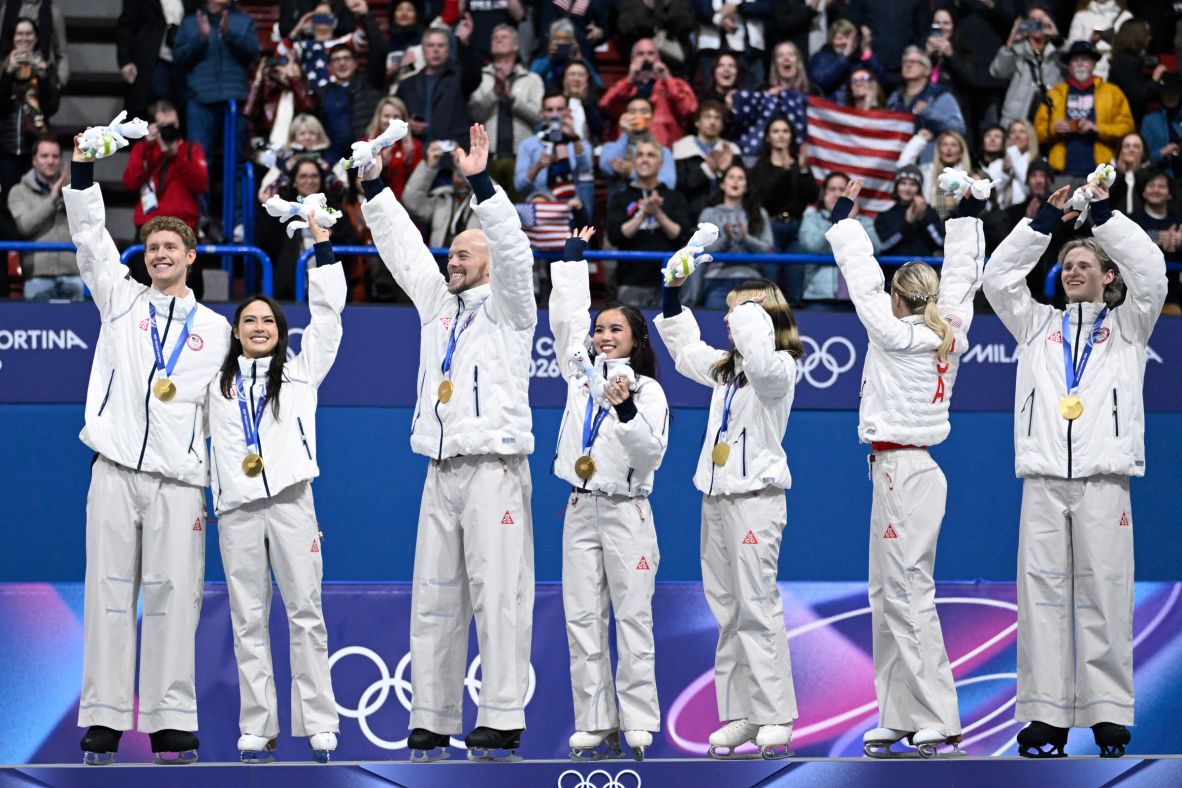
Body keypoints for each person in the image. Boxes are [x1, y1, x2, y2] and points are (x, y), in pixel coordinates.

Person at [359, 124, 535, 763]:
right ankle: (431, 718)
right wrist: (376, 185)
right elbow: (404, 248)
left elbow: (514, 252)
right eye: (452, 253)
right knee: (433, 600)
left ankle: (502, 716)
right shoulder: (438, 304)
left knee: (499, 597)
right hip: (439, 467)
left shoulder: (512, 309)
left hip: (494, 467)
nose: (451, 260)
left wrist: (482, 185)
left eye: (464, 254)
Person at [982, 179, 1165, 759]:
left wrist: (1104, 216)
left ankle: (1107, 714)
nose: (1072, 272)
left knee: (1105, 593)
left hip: (1104, 477)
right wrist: (1044, 224)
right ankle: (1045, 716)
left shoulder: (1130, 327)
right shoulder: (1036, 325)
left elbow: (1153, 270)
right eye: (1067, 265)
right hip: (1042, 478)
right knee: (1040, 598)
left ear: (1109, 276)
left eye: (1084, 264)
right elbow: (996, 279)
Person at [67, 128, 230, 766]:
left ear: (191, 255)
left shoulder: (217, 331)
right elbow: (89, 239)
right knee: (107, 591)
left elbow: (227, 415)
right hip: (112, 471)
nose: (159, 253)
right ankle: (105, 720)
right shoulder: (119, 303)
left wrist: (224, 484)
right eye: (152, 246)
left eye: (170, 246)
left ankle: (170, 723)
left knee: (174, 597)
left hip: (180, 481)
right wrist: (83, 169)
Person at [828, 174, 987, 758]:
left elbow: (861, 276)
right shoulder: (953, 326)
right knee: (885, 592)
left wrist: (845, 215)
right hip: (900, 472)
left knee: (908, 594)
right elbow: (965, 275)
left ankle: (940, 719)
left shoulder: (893, 331)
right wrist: (966, 211)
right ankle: (898, 714)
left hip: (904, 473)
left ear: (900, 298)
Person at [209, 218, 345, 765]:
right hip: (238, 512)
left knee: (306, 614)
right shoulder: (214, 384)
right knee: (247, 620)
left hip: (292, 503)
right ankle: (257, 726)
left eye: (268, 320)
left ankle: (319, 724)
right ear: (235, 331)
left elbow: (331, 319)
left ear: (281, 330)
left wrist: (323, 248)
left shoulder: (302, 371)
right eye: (249, 320)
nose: (259, 326)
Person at [653, 272, 803, 760]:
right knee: (727, 610)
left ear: (761, 317)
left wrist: (750, 314)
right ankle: (743, 711)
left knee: (757, 607)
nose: (728, 319)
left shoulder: (779, 367)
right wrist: (671, 293)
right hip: (716, 499)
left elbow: (760, 362)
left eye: (738, 311)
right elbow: (685, 351)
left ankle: (776, 713)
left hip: (755, 501)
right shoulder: (726, 369)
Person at [549, 227, 669, 762]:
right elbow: (564, 323)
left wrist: (622, 409)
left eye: (614, 329)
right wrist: (574, 260)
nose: (602, 336)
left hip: (627, 513)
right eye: (599, 329)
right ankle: (595, 722)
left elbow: (651, 454)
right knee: (582, 618)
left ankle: (638, 722)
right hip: (579, 507)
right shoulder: (579, 379)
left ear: (636, 339)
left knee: (633, 618)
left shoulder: (649, 392)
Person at [171, 0, 259, 169]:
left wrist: (229, 35)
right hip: (200, 100)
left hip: (235, 101)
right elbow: (179, 58)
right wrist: (200, 39)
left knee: (236, 164)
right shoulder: (191, 22)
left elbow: (252, 55)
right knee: (198, 165)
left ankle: (235, 196)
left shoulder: (244, 21)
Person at [1034, 41, 1133, 181]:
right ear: (1068, 66)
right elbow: (1037, 132)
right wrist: (1053, 128)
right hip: (1061, 173)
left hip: (1101, 173)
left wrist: (1097, 129)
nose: (1080, 64)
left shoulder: (1112, 92)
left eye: (1085, 60)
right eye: (1075, 60)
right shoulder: (1054, 95)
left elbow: (1127, 128)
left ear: (1094, 64)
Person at [606, 140, 690, 307]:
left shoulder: (675, 197)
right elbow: (615, 236)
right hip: (630, 281)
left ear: (661, 163)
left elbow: (681, 236)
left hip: (668, 281)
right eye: (640, 155)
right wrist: (642, 214)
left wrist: (657, 213)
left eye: (651, 155)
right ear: (633, 162)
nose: (645, 159)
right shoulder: (620, 198)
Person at [748, 115, 817, 305]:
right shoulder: (760, 167)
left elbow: (812, 196)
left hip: (796, 229)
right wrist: (785, 172)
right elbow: (764, 199)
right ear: (768, 137)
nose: (781, 135)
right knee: (768, 289)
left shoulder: (799, 165)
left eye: (785, 131)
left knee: (796, 287)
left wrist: (802, 170)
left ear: (791, 136)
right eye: (776, 131)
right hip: (770, 228)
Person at [468, 24, 544, 197]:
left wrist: (512, 99)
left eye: (504, 37)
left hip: (521, 158)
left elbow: (538, 117)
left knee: (520, 214)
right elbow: (475, 114)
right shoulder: (480, 77)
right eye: (495, 38)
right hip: (488, 156)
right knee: (488, 212)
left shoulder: (532, 79)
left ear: (516, 46)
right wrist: (495, 92)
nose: (498, 40)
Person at [122, 99, 209, 240]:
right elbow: (131, 183)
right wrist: (148, 149)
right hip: (149, 226)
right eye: (164, 126)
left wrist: (177, 155)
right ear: (154, 126)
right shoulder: (143, 149)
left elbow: (201, 186)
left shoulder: (191, 150)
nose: (170, 131)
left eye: (173, 126)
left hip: (183, 228)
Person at [7, 134, 79, 300]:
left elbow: (86, 226)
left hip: (74, 273)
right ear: (34, 160)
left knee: (78, 325)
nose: (50, 161)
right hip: (37, 276)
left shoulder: (74, 190)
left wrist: (69, 196)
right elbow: (24, 227)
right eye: (44, 156)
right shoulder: (19, 191)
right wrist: (53, 199)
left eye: (55, 156)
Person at [697, 163, 774, 308]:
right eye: (731, 177)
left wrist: (746, 238)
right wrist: (726, 240)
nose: (735, 181)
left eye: (740, 178)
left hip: (751, 281)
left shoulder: (759, 213)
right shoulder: (709, 213)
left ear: (746, 186)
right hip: (717, 281)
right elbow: (702, 250)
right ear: (722, 184)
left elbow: (767, 248)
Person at [598, 38, 696, 150]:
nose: (646, 58)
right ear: (632, 60)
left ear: (658, 58)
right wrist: (629, 79)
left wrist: (668, 79)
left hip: (665, 151)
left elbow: (689, 109)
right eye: (640, 54)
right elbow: (605, 105)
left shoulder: (674, 84)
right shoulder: (623, 86)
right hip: (629, 153)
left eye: (651, 53)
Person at [799, 171, 880, 304]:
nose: (837, 194)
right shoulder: (812, 219)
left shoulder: (863, 222)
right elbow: (812, 247)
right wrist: (836, 219)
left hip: (858, 297)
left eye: (842, 189)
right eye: (832, 189)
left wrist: (850, 220)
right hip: (819, 296)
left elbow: (876, 248)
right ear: (824, 194)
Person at [0, 16, 60, 194]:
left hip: (35, 147)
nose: (24, 38)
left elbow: (51, 107)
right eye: (19, 34)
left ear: (36, 38)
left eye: (28, 34)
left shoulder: (46, 67)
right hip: (6, 147)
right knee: (7, 202)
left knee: (34, 198)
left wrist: (42, 78)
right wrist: (9, 73)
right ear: (12, 38)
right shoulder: (3, 68)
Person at [396, 27, 482, 148]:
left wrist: (464, 43)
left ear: (448, 50)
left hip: (454, 151)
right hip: (419, 153)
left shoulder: (460, 78)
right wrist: (407, 125)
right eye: (431, 46)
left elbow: (475, 75)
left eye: (441, 46)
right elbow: (393, 114)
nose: (435, 50)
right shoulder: (407, 84)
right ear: (423, 50)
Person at [730, 41, 809, 163]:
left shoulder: (813, 92)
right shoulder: (761, 90)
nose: (786, 58)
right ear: (775, 64)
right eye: (780, 56)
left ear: (798, 62)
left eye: (790, 54)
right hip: (762, 159)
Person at [885, 47, 967, 160]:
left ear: (927, 70)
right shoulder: (894, 97)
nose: (908, 65)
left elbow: (958, 128)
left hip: (927, 160)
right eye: (905, 62)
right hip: (895, 157)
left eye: (914, 62)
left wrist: (929, 113)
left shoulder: (940, 96)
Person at [991, 5, 1063, 129]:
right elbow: (998, 72)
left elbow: (1071, 68)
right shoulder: (1017, 50)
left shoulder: (1058, 52)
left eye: (1041, 20)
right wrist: (1010, 42)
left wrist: (1056, 36)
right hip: (1017, 120)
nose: (1037, 24)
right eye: (1033, 20)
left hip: (1049, 119)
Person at [116, 0, 188, 123]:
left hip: (184, 60)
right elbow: (126, 26)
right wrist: (125, 60)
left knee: (181, 109)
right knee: (155, 107)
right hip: (151, 59)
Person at [672, 100, 742, 222]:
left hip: (727, 220)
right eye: (707, 117)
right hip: (690, 219)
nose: (712, 122)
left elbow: (742, 187)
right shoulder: (681, 149)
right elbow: (679, 186)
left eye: (717, 118)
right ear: (697, 122)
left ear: (723, 124)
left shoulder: (732, 151)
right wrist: (707, 169)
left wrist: (726, 170)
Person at [598, 95, 677, 197]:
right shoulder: (610, 147)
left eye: (643, 112)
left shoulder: (662, 151)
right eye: (632, 112)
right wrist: (625, 134)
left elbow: (669, 183)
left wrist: (633, 172)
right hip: (619, 208)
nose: (638, 116)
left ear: (652, 118)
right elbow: (607, 168)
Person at [873, 164, 945, 260]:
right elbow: (882, 247)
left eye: (913, 184)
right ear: (896, 187)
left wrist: (923, 219)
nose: (907, 189)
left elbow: (941, 243)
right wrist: (906, 224)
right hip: (894, 271)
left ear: (919, 188)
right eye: (903, 183)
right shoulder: (885, 215)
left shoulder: (930, 212)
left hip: (925, 271)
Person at [807, 18, 884, 100]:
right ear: (832, 41)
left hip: (860, 106)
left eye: (848, 38)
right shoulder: (821, 57)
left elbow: (882, 83)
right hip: (833, 107)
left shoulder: (862, 59)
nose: (844, 42)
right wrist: (844, 56)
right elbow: (819, 82)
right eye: (839, 38)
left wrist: (867, 51)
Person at [365, 96, 421, 200]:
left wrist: (408, 164)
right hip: (377, 204)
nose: (391, 121)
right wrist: (382, 167)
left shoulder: (414, 146)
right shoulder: (366, 144)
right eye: (386, 116)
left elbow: (419, 188)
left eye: (396, 116)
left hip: (404, 206)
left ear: (404, 120)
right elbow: (361, 185)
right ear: (378, 118)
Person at [1065, 0, 1132, 81]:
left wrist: (1113, 42)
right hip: (1089, 70)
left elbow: (1132, 46)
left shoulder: (1125, 16)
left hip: (1116, 68)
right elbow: (1071, 47)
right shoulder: (1081, 15)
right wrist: (1090, 42)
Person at [1141, 72, 1182, 181]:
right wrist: (1162, 153)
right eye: (1167, 93)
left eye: (1174, 93)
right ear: (1161, 94)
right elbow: (1144, 159)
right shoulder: (1150, 120)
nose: (1170, 96)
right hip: (1160, 179)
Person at [1108, 132, 1148, 215]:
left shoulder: (1151, 173)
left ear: (1143, 153)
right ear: (1120, 151)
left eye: (1136, 146)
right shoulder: (1109, 172)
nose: (1131, 150)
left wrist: (1136, 170)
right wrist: (1119, 171)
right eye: (1127, 146)